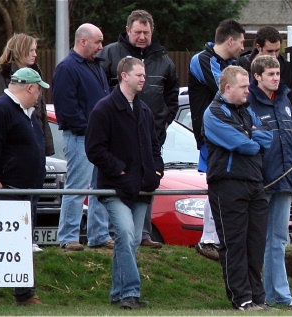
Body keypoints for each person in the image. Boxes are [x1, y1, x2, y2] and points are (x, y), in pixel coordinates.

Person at [85, 57, 164, 309]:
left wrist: (156, 171)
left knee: (130, 241)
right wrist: (118, 170)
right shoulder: (104, 109)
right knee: (126, 233)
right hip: (115, 188)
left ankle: (120, 294)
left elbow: (154, 146)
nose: (143, 78)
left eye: (144, 74)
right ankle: (130, 291)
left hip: (142, 188)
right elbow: (94, 149)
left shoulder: (144, 110)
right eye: (139, 74)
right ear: (123, 76)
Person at [98, 9, 180, 249]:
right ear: (127, 31)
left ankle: (144, 233)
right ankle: (114, 233)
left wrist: (165, 120)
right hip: (119, 136)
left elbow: (172, 95)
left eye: (146, 32)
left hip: (152, 133)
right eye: (137, 32)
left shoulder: (163, 59)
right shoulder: (111, 54)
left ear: (152, 31)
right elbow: (99, 90)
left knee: (149, 179)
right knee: (119, 181)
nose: (142, 36)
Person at [203, 65, 275, 311]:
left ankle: (258, 297)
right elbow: (244, 145)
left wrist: (250, 135)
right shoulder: (213, 113)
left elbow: (268, 137)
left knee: (255, 244)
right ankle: (241, 299)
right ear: (228, 88)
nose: (248, 91)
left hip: (255, 183)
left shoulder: (247, 111)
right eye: (244, 87)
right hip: (228, 185)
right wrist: (250, 137)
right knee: (235, 244)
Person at [246, 54, 292, 307]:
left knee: (280, 238)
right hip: (262, 181)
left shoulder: (283, 100)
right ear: (257, 76)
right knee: (257, 239)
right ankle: (254, 293)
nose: (276, 78)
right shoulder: (248, 102)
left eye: (278, 74)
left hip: (286, 179)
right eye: (270, 74)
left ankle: (280, 295)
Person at [53, 23, 114, 251]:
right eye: (98, 42)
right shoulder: (67, 68)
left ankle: (98, 235)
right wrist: (92, 129)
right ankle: (68, 237)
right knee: (77, 187)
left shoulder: (95, 67)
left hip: (99, 139)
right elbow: (66, 109)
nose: (101, 47)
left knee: (100, 187)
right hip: (80, 138)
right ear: (83, 41)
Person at [189, 19, 246, 260]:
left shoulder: (233, 63)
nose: (244, 48)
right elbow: (225, 90)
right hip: (210, 135)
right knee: (217, 184)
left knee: (226, 184)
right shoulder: (202, 60)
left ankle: (218, 237)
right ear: (230, 40)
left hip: (229, 132)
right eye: (242, 42)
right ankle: (208, 239)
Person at [0, 67, 50, 306]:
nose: (39, 96)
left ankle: (24, 293)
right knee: (1, 242)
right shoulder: (0, 109)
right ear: (30, 87)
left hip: (28, 190)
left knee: (22, 243)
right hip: (9, 190)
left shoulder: (27, 112)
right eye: (38, 90)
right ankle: (21, 294)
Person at [0, 33, 55, 253]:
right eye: (32, 50)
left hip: (30, 171)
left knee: (32, 200)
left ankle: (29, 239)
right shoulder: (2, 103)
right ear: (29, 88)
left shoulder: (31, 103)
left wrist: (45, 147)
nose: (36, 54)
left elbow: (40, 117)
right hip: (10, 180)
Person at [238, 26, 292, 100]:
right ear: (258, 47)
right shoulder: (242, 64)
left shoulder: (287, 68)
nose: (274, 55)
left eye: (277, 50)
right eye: (270, 51)